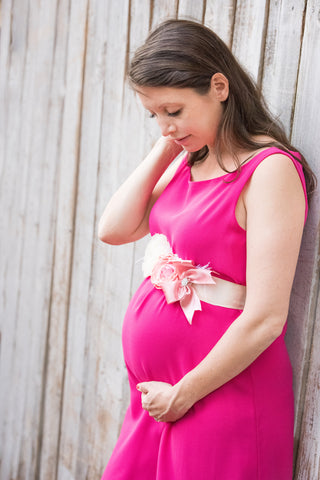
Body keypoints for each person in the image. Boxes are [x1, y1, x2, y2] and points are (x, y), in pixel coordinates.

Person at [98, 19, 316, 480]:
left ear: (219, 86)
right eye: (153, 115)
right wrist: (169, 144)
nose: (164, 126)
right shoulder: (190, 161)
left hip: (219, 394)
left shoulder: (269, 170)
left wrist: (184, 393)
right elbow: (114, 229)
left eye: (173, 110)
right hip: (158, 400)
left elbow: (265, 318)